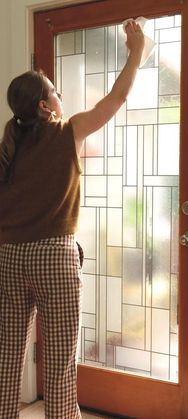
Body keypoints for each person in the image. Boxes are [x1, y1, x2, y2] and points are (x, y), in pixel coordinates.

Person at [0, 20, 144, 419]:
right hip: (52, 256)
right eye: (55, 92)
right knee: (61, 359)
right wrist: (135, 52)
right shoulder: (66, 132)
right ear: (45, 106)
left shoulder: (8, 145)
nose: (62, 96)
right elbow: (113, 102)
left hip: (8, 257)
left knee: (7, 353)